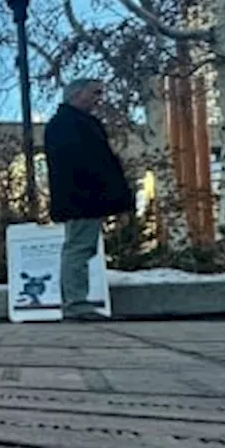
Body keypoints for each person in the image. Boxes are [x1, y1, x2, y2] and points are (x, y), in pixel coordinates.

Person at [44, 78, 134, 321]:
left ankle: (75, 302)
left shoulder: (68, 124)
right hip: (83, 199)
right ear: (77, 94)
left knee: (79, 248)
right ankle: (75, 304)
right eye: (95, 93)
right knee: (78, 249)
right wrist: (114, 197)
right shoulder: (70, 125)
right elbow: (94, 164)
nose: (98, 99)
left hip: (82, 198)